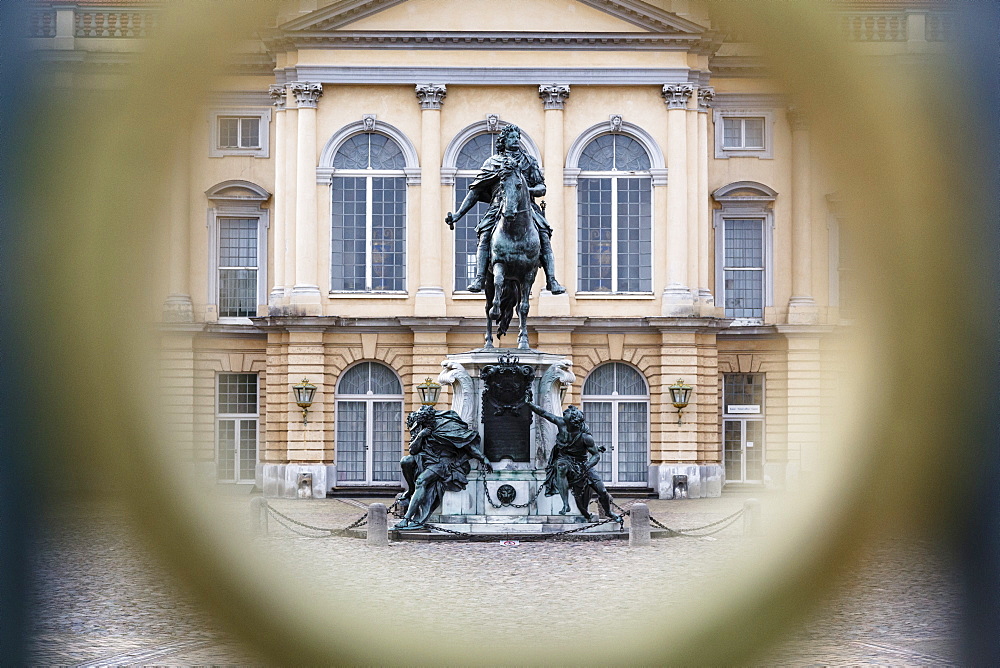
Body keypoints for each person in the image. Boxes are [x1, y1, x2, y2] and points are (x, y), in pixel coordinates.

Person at [445, 124, 566, 295]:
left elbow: (541, 188)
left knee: (544, 233)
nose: (515, 140)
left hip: (527, 208)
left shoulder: (529, 161)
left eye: (517, 137)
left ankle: (551, 280)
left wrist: (525, 191)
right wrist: (458, 214)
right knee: (485, 233)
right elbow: (476, 192)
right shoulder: (493, 163)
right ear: (504, 141)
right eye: (511, 137)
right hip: (498, 207)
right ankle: (480, 277)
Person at [394, 405, 492, 529]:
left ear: (430, 419)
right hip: (426, 457)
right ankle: (411, 490)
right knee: (406, 461)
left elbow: (468, 446)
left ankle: (407, 518)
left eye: (422, 423)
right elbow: (413, 451)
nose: (419, 426)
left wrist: (483, 458)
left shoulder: (447, 426)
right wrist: (421, 436)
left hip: (442, 462)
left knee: (421, 480)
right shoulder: (421, 426)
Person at [524, 398, 621, 522]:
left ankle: (608, 512)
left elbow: (596, 456)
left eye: (568, 413)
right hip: (564, 459)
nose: (565, 412)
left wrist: (586, 466)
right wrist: (530, 404)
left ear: (573, 419)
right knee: (561, 467)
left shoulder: (586, 437)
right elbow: (544, 413)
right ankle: (565, 504)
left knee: (602, 490)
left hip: (582, 462)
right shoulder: (561, 423)